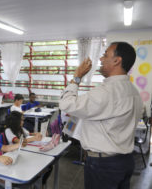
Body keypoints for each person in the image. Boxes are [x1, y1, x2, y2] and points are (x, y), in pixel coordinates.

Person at [59, 42, 143, 189]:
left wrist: (77, 77)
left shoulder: (106, 92)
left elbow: (66, 104)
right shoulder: (134, 92)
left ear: (117, 60)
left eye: (105, 55)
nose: (101, 59)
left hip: (104, 166)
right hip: (126, 161)